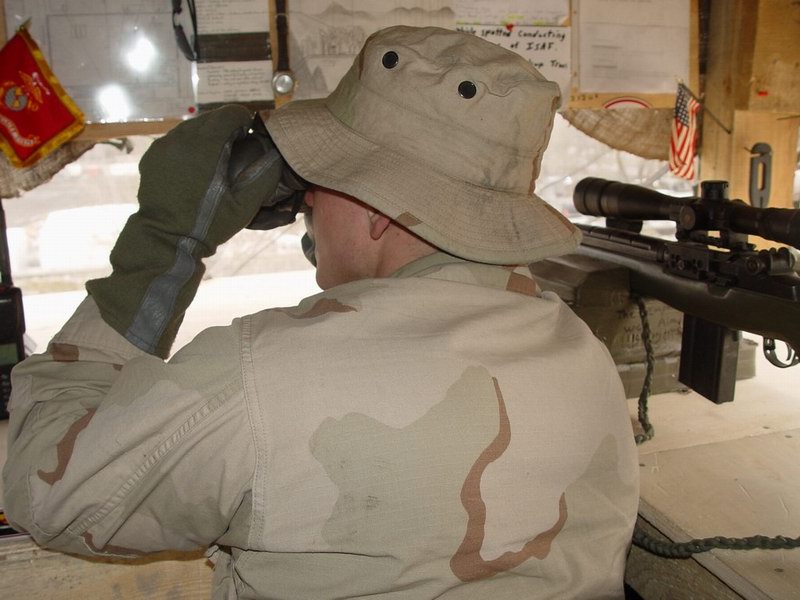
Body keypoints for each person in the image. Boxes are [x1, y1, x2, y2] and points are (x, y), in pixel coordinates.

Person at [3, 26, 639, 599]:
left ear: (379, 211)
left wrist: (166, 242)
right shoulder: (581, 352)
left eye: (323, 179)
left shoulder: (264, 375)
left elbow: (47, 492)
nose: (305, 199)